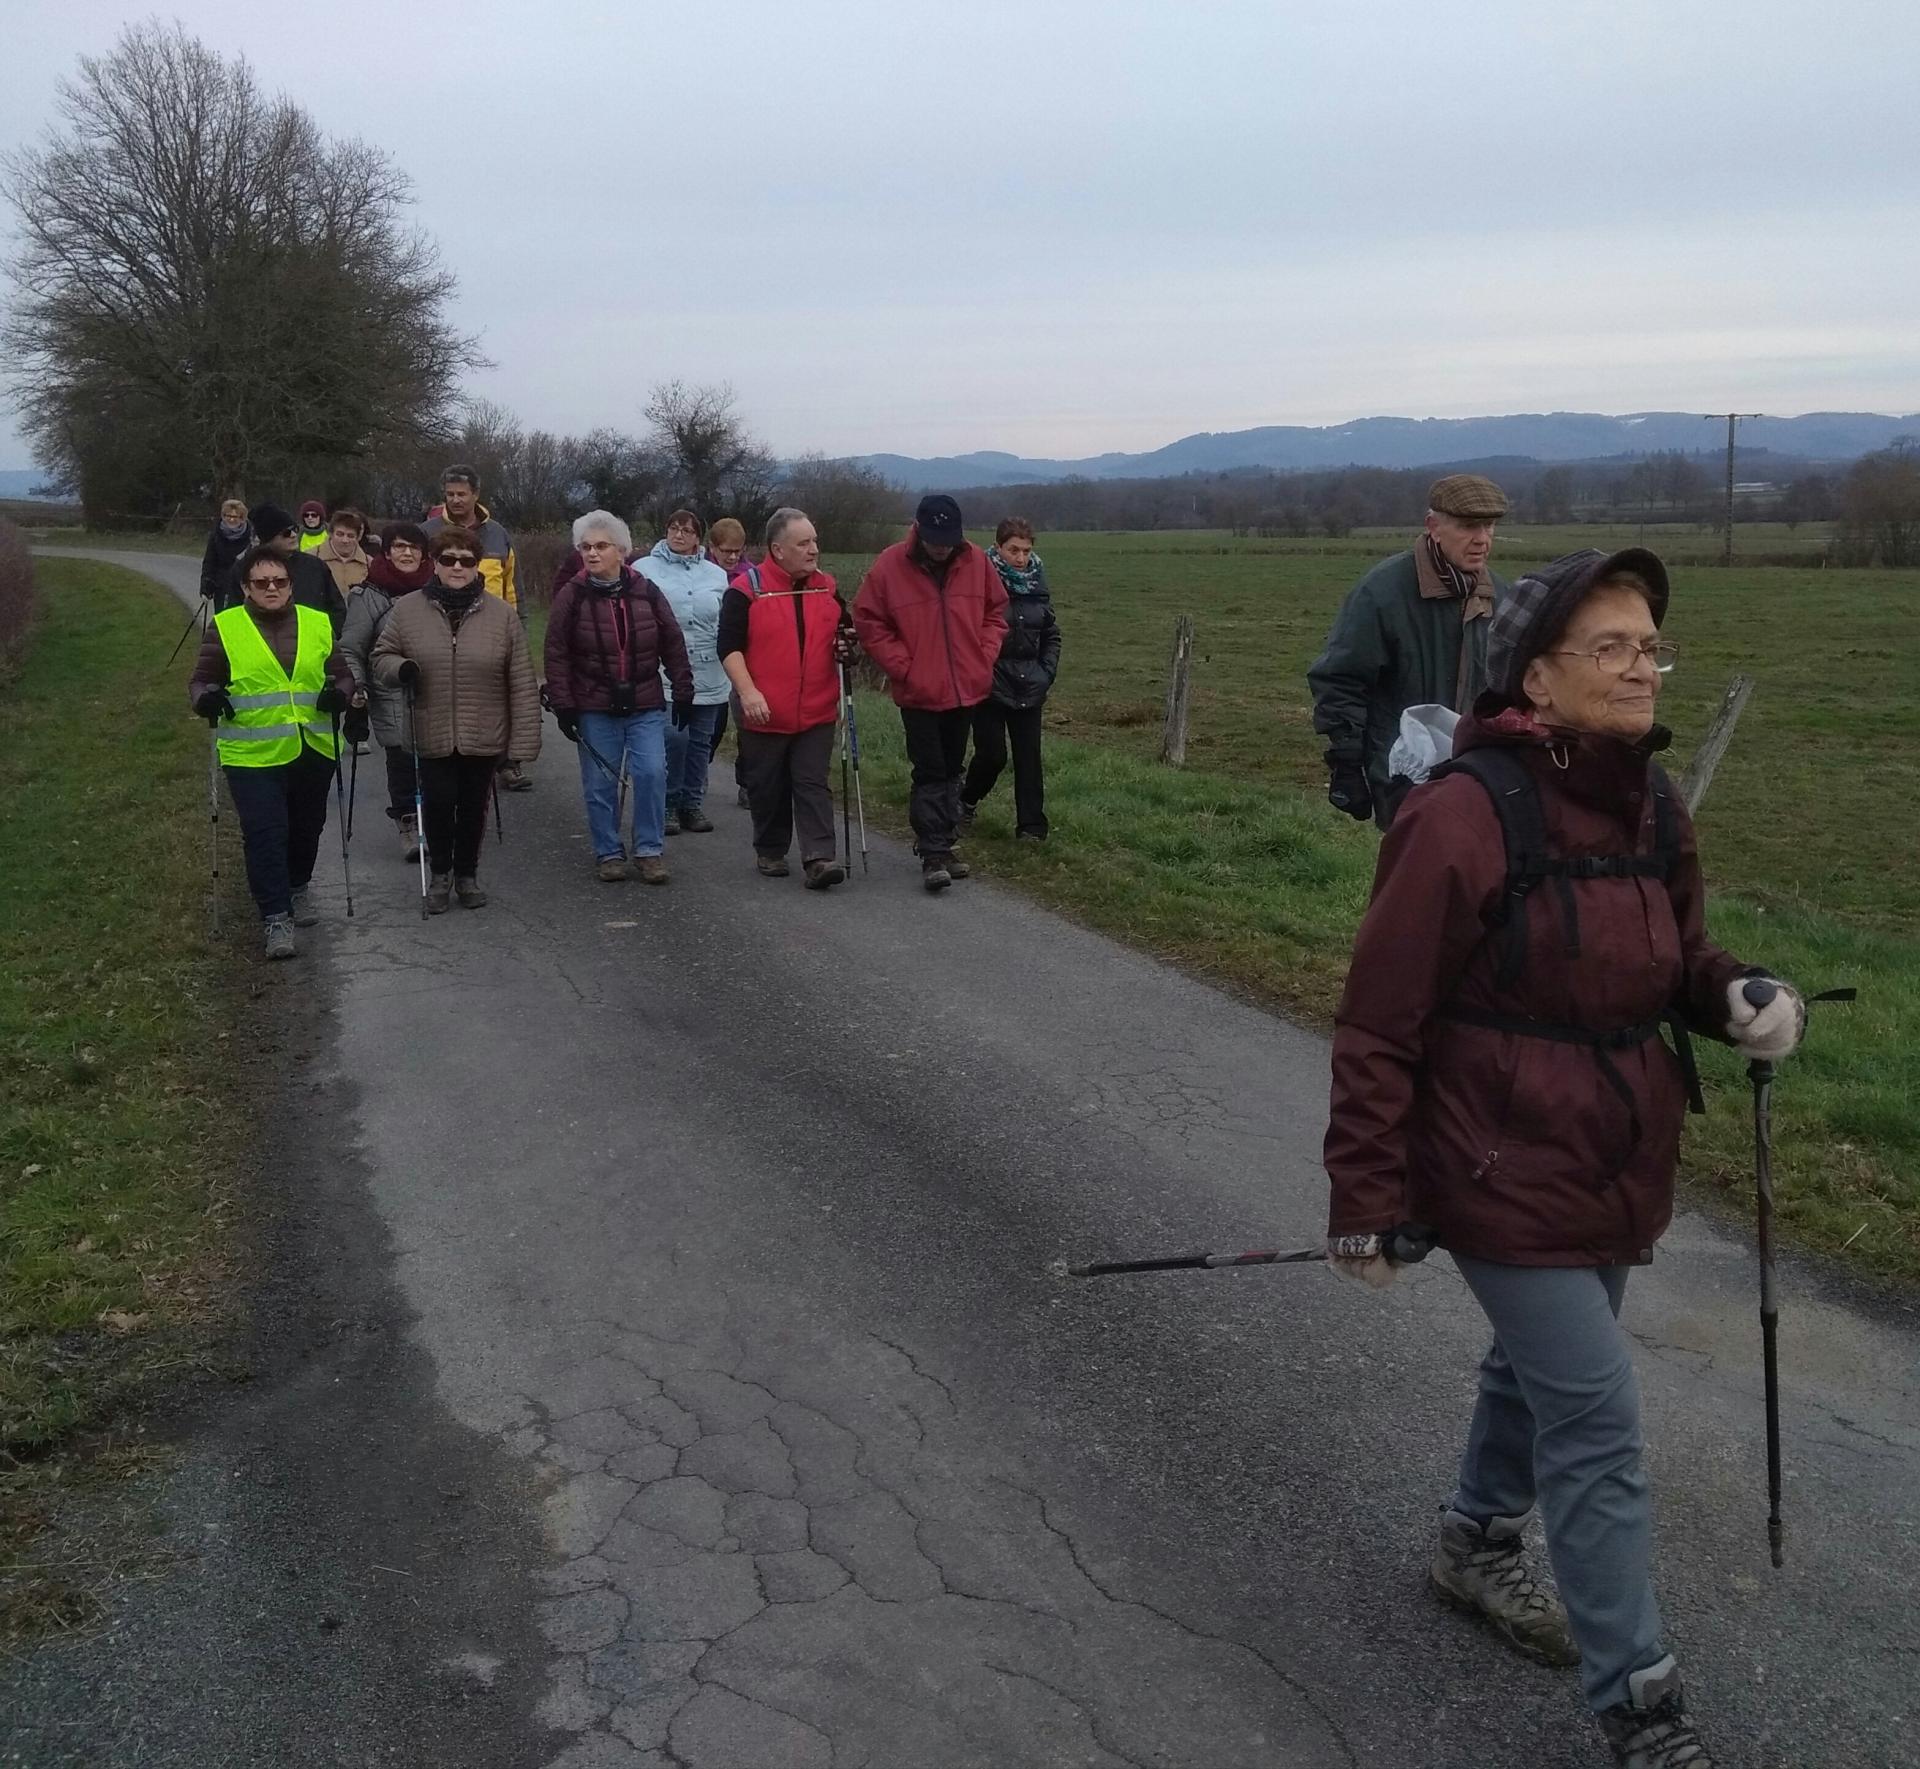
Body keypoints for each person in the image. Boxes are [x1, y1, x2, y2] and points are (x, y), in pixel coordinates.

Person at [1323, 547, 1805, 1768]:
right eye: (1614, 646)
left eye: (1652, 644)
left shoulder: (1653, 803)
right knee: (1594, 1417)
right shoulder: (1461, 814)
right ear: (1535, 678)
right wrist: (1368, 1195)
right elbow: (1382, 1016)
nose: (1644, 664)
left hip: (1615, 1150)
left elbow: (1677, 956)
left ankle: (1476, 1540)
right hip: (1491, 1161)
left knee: (1537, 1373)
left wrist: (1738, 994)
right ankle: (1643, 1704)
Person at [1307, 474, 1511, 829]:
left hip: (1483, 774)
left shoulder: (1500, 596)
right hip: (1405, 776)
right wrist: (1347, 763)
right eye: (1467, 526)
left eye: (1489, 526)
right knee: (1419, 878)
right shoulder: (1383, 592)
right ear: (1433, 526)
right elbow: (1341, 678)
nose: (1482, 539)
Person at [187, 543, 361, 959]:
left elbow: (343, 676)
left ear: (290, 585)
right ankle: (275, 917)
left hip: (313, 746)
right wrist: (206, 699)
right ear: (246, 587)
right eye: (261, 582)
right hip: (251, 755)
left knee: (307, 828)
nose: (271, 588)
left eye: (279, 581)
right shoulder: (226, 627)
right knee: (266, 834)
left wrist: (339, 695)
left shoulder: (317, 623)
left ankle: (297, 885)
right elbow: (199, 682)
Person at [371, 526, 540, 912]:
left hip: (484, 729)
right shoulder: (407, 608)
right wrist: (401, 669)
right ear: (436, 563)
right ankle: (441, 874)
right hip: (430, 725)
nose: (458, 567)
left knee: (473, 805)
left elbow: (521, 679)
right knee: (437, 803)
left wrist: (523, 741)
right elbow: (381, 656)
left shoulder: (502, 616)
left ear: (476, 564)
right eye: (448, 559)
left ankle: (467, 874)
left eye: (466, 560)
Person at [852, 493, 1007, 891]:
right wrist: (905, 666)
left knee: (953, 766)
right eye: (935, 538)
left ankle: (946, 842)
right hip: (919, 690)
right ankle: (933, 851)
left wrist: (983, 655)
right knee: (930, 768)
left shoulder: (976, 561)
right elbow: (868, 620)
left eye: (948, 539)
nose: (941, 547)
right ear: (918, 531)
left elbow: (995, 612)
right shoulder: (890, 565)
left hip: (965, 687)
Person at [544, 511, 695, 886]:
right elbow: (556, 651)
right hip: (593, 701)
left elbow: (672, 641)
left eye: (601, 546)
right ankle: (608, 851)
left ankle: (649, 850)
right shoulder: (572, 595)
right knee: (600, 781)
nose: (592, 554)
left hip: (644, 698)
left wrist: (683, 687)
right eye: (585, 548)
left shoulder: (646, 590)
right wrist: (564, 704)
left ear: (621, 551)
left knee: (650, 772)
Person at [718, 507, 855, 889]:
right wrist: (748, 692)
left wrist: (847, 647)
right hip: (764, 709)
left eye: (815, 541)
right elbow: (728, 647)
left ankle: (819, 858)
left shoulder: (826, 587)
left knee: (812, 782)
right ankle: (771, 849)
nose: (814, 550)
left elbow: (844, 634)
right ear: (778, 550)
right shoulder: (747, 590)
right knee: (768, 786)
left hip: (817, 707)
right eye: (804, 543)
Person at [424, 464, 528, 789]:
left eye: (461, 494)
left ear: (476, 495)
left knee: (504, 696)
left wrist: (518, 625)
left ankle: (508, 763)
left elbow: (513, 585)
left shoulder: (498, 533)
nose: (455, 500)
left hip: (494, 624)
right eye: (450, 494)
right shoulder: (427, 532)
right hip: (444, 626)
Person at [960, 517, 1061, 841]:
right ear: (998, 548)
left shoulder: (1037, 585)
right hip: (989, 683)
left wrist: (1045, 673)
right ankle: (965, 800)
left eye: (1026, 551)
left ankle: (1031, 827)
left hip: (1030, 682)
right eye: (1013, 550)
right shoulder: (981, 582)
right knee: (992, 755)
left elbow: (1051, 634)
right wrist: (979, 670)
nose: (1020, 558)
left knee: (1029, 758)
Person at [339, 522, 434, 861]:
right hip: (390, 692)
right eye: (399, 547)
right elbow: (351, 647)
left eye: (414, 547)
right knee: (403, 760)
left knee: (439, 762)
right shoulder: (369, 595)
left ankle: (438, 824)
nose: (406, 553)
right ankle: (409, 825)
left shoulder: (439, 589)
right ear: (387, 551)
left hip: (437, 691)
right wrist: (356, 685)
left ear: (424, 554)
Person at [635, 509, 733, 834]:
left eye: (687, 531)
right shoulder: (644, 569)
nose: (679, 535)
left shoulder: (716, 575)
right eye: (674, 529)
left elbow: (723, 619)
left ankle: (693, 804)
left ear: (697, 538)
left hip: (708, 671)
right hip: (665, 672)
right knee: (674, 737)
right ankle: (669, 803)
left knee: (701, 742)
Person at [222, 503, 348, 635]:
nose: (293, 535)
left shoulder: (315, 566)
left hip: (313, 644)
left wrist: (327, 637)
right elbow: (232, 614)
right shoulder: (244, 568)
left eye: (295, 529)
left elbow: (337, 609)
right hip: (260, 645)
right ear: (268, 538)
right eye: (286, 533)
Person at [704, 516, 752, 798]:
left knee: (748, 724)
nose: (733, 557)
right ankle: (697, 774)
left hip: (741, 660)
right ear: (713, 547)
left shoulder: (751, 576)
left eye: (738, 551)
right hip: (709, 662)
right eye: (726, 551)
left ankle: (747, 784)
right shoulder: (701, 573)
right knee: (714, 725)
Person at [199, 498, 253, 602]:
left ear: (242, 518)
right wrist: (206, 587)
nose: (231, 520)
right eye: (228, 516)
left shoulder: (251, 536)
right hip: (221, 587)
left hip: (245, 588)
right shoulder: (216, 535)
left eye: (235, 516)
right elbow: (209, 562)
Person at [313, 507, 370, 599]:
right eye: (340, 534)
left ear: (358, 537)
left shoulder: (369, 563)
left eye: (350, 536)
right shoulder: (311, 557)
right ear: (330, 534)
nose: (345, 540)